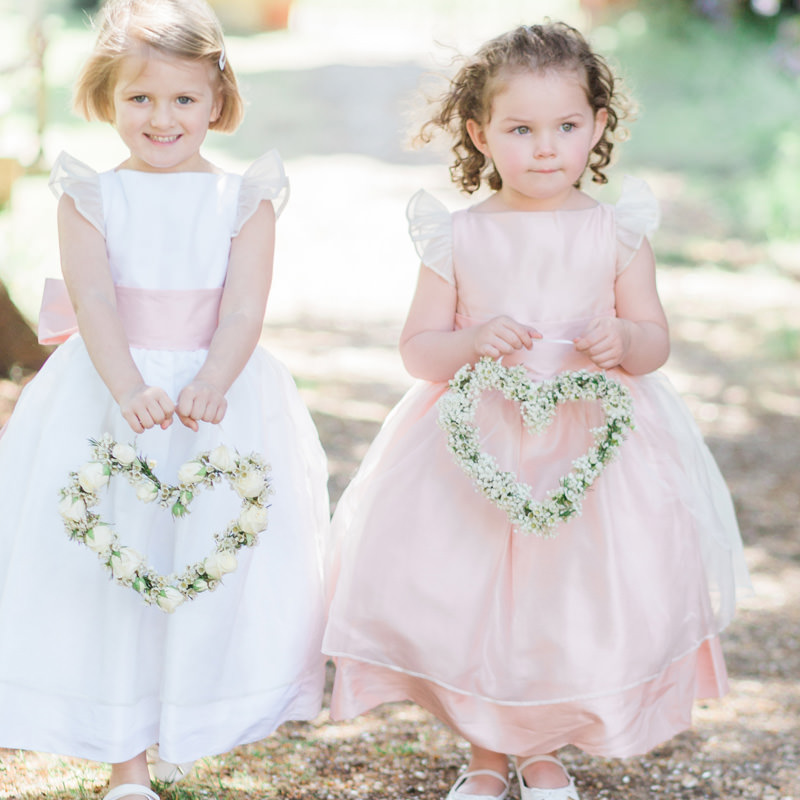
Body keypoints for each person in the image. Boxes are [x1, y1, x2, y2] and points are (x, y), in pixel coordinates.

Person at [322, 21, 749, 800]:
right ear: (481, 134)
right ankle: (485, 756)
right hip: (476, 446)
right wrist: (474, 339)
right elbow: (419, 350)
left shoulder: (616, 233)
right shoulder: (455, 238)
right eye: (521, 129)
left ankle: (545, 750)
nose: (545, 148)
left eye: (566, 127)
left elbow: (654, 341)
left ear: (598, 128)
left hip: (592, 447)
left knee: (566, 600)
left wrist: (623, 337)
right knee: (472, 597)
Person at [0, 1, 329, 798]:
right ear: (107, 97)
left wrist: (211, 380)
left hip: (214, 400)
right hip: (111, 394)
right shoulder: (89, 195)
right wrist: (128, 387)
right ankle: (125, 765)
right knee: (111, 567)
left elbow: (245, 309)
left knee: (195, 565)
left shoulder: (245, 198)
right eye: (139, 98)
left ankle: (184, 720)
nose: (161, 117)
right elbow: (96, 303)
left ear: (217, 100)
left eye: (183, 98)